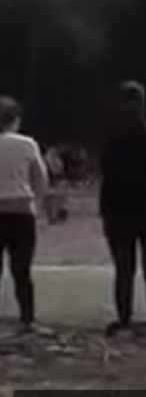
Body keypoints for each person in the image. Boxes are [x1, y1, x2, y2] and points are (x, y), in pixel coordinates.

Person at [99, 81, 146, 335]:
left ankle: (125, 319)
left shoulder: (109, 135)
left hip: (117, 209)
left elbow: (105, 169)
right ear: (143, 103)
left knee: (123, 271)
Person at [0, 97, 48, 332]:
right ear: (15, 120)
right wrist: (36, 202)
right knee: (22, 270)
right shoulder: (27, 144)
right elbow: (41, 179)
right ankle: (27, 318)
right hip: (21, 211)